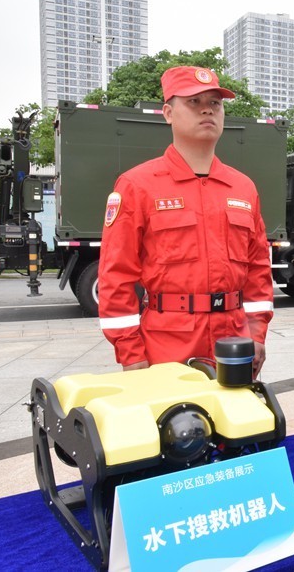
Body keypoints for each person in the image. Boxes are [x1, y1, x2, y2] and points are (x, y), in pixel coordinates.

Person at [98, 66, 274, 376]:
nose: (207, 108)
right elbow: (116, 277)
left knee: (237, 424)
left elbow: (258, 269)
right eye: (194, 101)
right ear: (167, 113)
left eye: (215, 103)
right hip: (165, 347)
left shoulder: (243, 188)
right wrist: (131, 355)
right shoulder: (137, 185)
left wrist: (256, 334)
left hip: (233, 343)